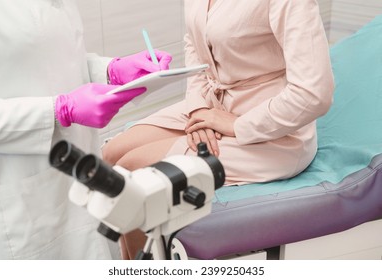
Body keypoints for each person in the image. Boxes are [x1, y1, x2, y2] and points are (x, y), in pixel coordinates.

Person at [102, 0, 335, 259]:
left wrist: (237, 124)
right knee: (112, 156)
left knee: (136, 174)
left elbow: (315, 94)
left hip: (275, 127)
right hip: (212, 102)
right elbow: (194, 41)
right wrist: (199, 108)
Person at [0, 0, 172, 259]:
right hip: (20, 201)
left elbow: (51, 60)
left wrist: (110, 71)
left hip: (79, 173)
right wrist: (59, 110)